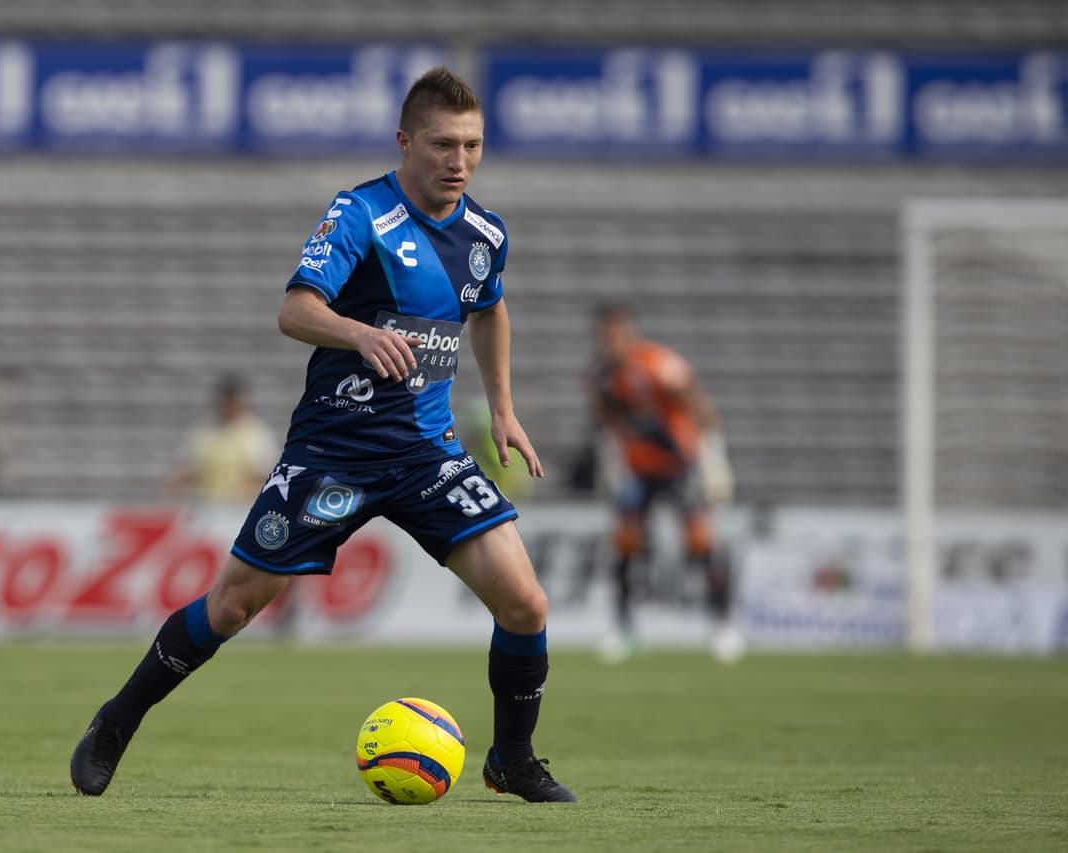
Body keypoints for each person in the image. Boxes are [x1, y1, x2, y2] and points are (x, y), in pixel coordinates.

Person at [70, 67, 576, 803]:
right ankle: (116, 720)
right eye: (442, 144)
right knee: (232, 607)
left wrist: (501, 406)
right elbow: (294, 308)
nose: (458, 161)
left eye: (472, 145)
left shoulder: (484, 233)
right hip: (333, 454)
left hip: (425, 454)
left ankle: (512, 758)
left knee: (526, 603)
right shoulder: (360, 215)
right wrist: (359, 333)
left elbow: (490, 308)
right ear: (405, 141)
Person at [589, 303, 739, 662]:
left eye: (616, 335)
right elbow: (606, 419)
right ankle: (624, 629)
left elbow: (697, 404)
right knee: (625, 545)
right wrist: (611, 459)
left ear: (630, 335)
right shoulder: (601, 376)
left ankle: (722, 625)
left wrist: (714, 455)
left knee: (700, 542)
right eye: (605, 337)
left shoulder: (658, 364)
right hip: (638, 471)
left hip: (678, 466)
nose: (610, 343)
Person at [163, 374, 276, 504]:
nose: (229, 407)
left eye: (233, 402)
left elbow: (265, 475)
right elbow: (186, 471)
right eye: (226, 402)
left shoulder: (257, 433)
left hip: (242, 509)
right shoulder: (202, 431)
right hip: (207, 508)